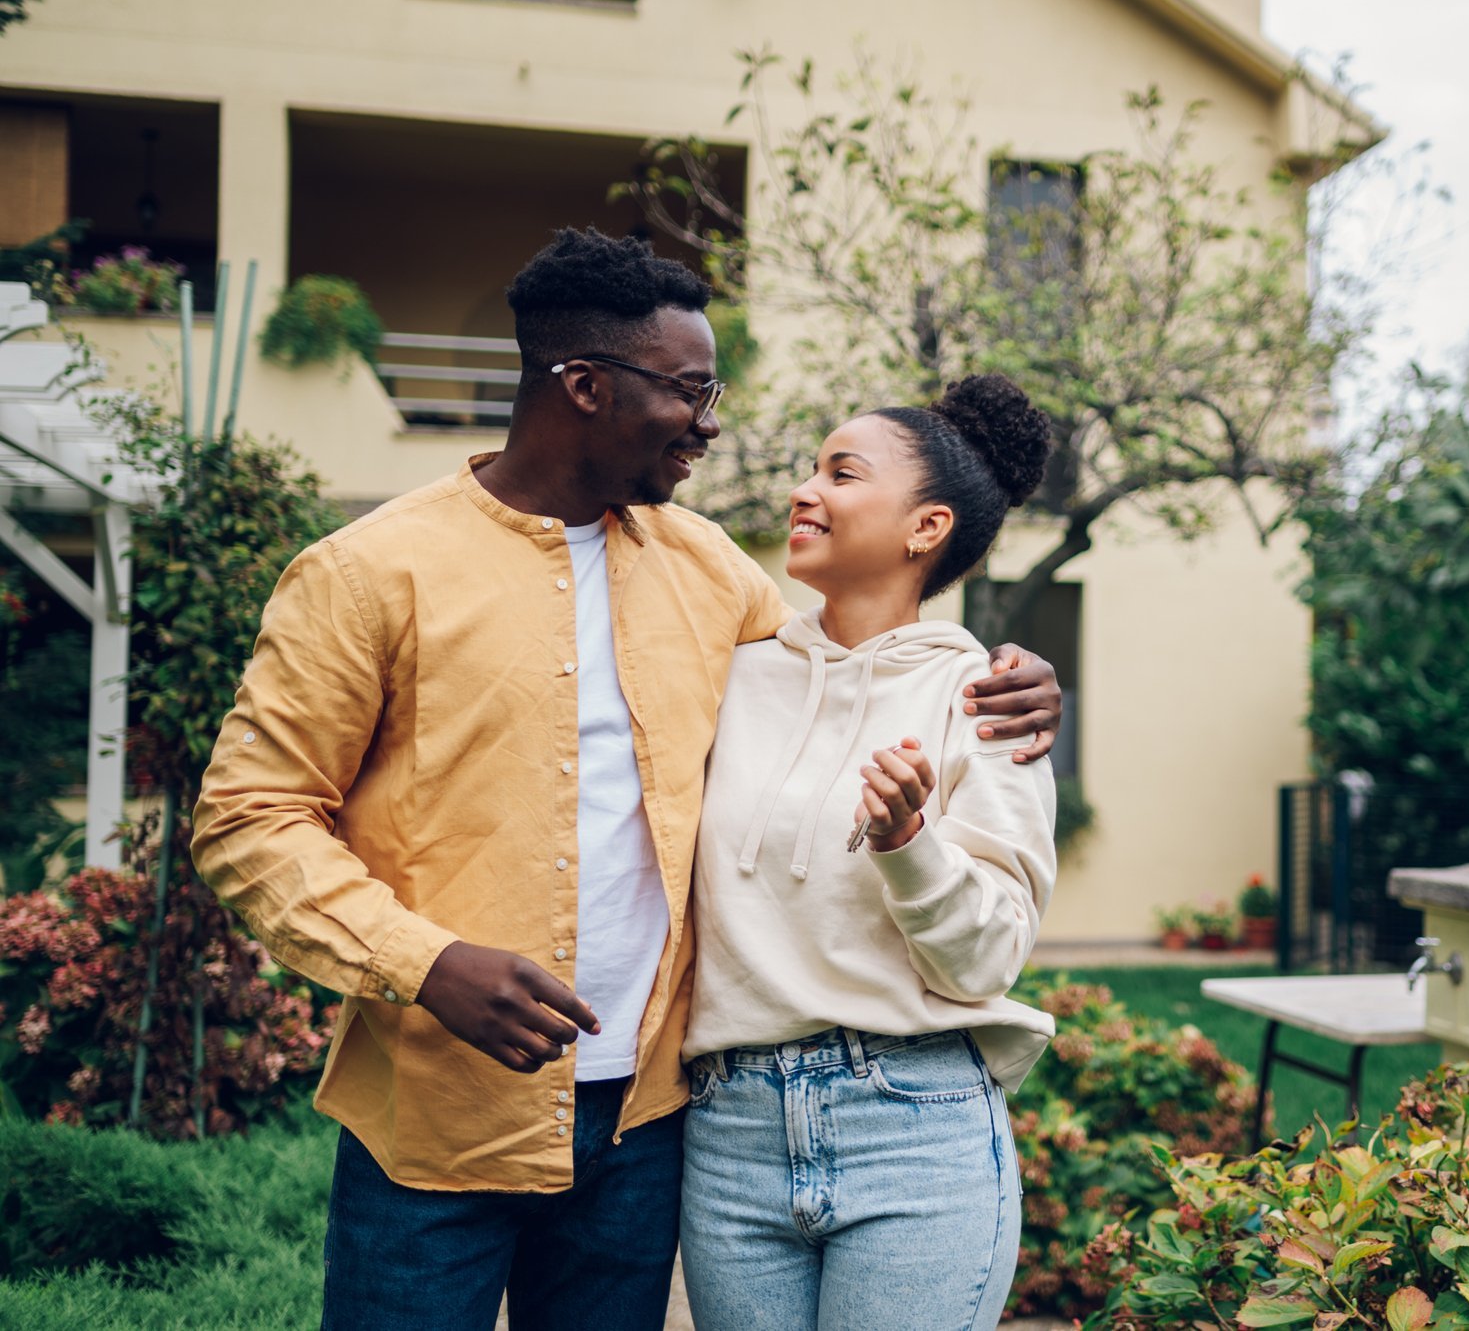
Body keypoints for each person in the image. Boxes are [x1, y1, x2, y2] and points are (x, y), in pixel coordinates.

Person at [189, 228, 1060, 1331]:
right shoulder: (366, 573)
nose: (709, 421)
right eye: (688, 390)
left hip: (648, 1131)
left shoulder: (713, 574)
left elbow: (853, 661)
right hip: (436, 1116)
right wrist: (426, 963)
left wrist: (1012, 678)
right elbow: (249, 820)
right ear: (586, 385)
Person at [677, 374, 1059, 1331]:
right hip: (730, 1134)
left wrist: (908, 845)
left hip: (912, 1128)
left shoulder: (987, 702)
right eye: (811, 469)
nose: (804, 491)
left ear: (925, 528)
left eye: (841, 474)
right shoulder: (730, 674)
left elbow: (989, 959)